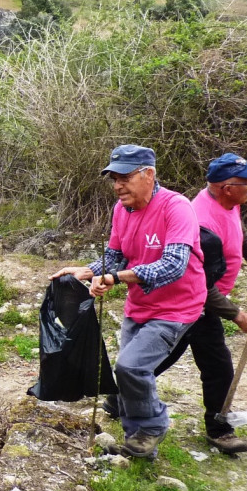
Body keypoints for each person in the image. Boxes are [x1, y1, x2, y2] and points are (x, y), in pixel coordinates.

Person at [50, 145, 207, 459]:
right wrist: (88, 271)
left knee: (130, 367)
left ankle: (150, 429)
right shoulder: (122, 209)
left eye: (124, 177)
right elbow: (114, 256)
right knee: (128, 372)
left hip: (178, 306)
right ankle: (140, 445)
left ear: (148, 174)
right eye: (113, 178)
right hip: (140, 305)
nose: (117, 185)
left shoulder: (177, 208)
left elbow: (174, 265)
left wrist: (117, 278)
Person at [152, 153, 247, 455]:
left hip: (204, 303)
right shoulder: (201, 222)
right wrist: (238, 316)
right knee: (194, 361)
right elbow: (199, 283)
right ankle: (219, 429)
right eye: (246, 182)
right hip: (190, 301)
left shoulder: (227, 204)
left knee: (188, 360)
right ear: (226, 186)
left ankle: (120, 397)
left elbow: (238, 233)